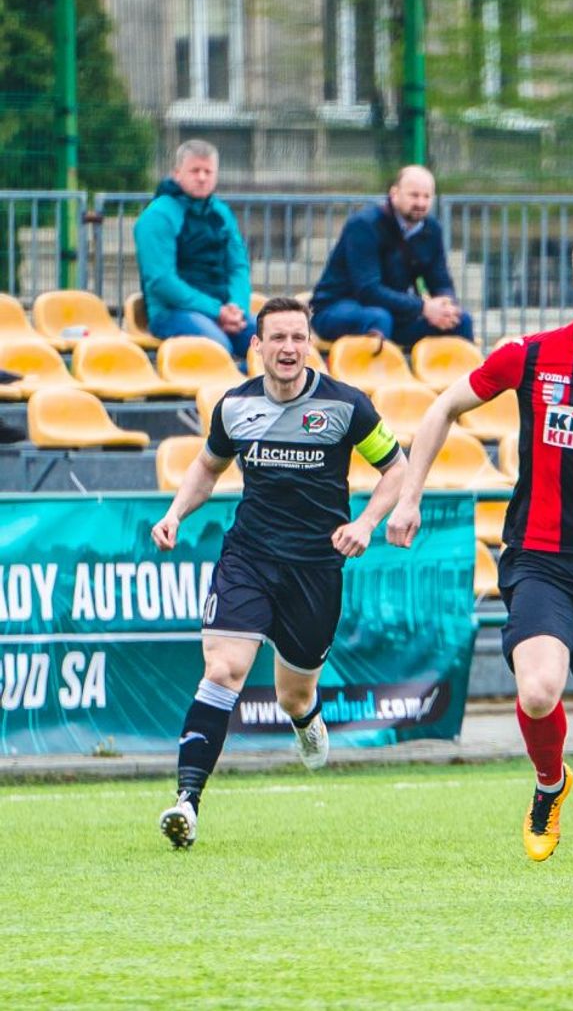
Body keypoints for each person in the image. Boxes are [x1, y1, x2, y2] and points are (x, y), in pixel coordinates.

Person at [386, 233, 573, 909]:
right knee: (540, 692)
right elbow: (442, 408)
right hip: (540, 558)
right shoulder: (532, 355)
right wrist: (408, 497)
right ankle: (550, 781)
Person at [152, 297, 407, 848]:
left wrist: (366, 523)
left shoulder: (347, 405)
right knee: (223, 669)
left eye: (298, 337)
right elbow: (207, 467)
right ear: (257, 345)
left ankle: (305, 718)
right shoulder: (234, 406)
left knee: (293, 694)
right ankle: (187, 801)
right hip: (249, 557)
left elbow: (396, 468)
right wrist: (174, 514)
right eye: (278, 338)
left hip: (315, 569)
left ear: (309, 343)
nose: (288, 348)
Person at [310, 165, 472, 351]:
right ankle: (372, 370)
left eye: (427, 196)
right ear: (394, 194)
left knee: (460, 320)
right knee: (378, 318)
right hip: (337, 308)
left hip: (395, 312)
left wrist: (445, 305)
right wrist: (423, 307)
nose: (421, 203)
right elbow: (368, 290)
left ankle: (467, 372)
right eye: (414, 195)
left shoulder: (431, 229)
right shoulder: (364, 225)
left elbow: (441, 280)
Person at [134, 139, 254, 356]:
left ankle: (246, 378)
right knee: (216, 348)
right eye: (195, 171)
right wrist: (216, 311)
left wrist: (237, 308)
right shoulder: (157, 216)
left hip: (224, 310)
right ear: (177, 173)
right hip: (172, 312)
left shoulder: (221, 212)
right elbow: (161, 280)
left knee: (275, 342)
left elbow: (238, 266)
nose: (202, 177)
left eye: (208, 172)